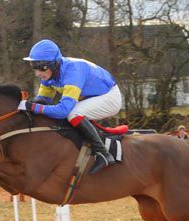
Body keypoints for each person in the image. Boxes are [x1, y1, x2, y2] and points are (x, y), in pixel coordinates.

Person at [22, 39, 122, 175]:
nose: (38, 73)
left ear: (55, 64)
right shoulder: (48, 75)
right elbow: (42, 101)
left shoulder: (73, 71)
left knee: (72, 114)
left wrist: (31, 107)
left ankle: (103, 153)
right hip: (92, 97)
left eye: (41, 67)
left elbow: (63, 110)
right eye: (35, 67)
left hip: (109, 98)